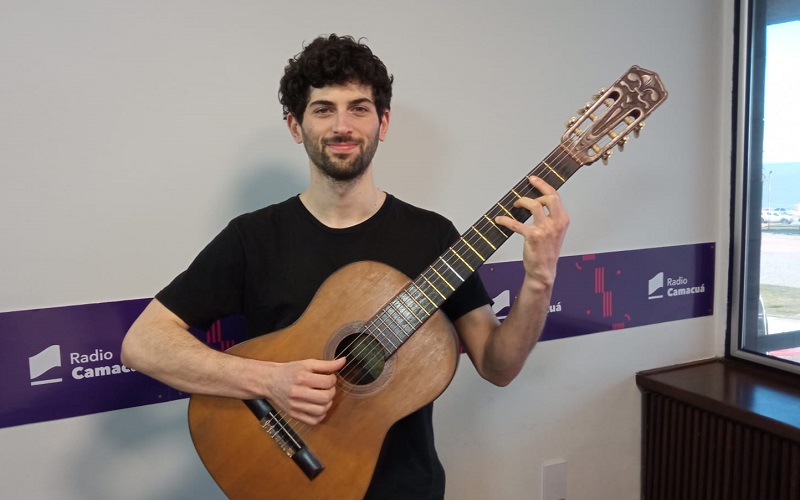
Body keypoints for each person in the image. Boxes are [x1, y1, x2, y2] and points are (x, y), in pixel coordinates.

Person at [121, 34, 569, 499]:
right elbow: (144, 344)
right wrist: (271, 379)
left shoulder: (433, 236)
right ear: (295, 126)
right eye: (323, 109)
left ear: (383, 122)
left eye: (359, 108)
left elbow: (498, 367)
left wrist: (538, 279)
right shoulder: (252, 238)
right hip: (290, 481)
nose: (343, 125)